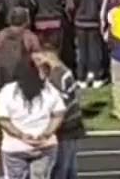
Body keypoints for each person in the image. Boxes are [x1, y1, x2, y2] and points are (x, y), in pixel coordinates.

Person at [0, 55, 66, 179]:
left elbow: (3, 119)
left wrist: (20, 135)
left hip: (15, 147)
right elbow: (58, 114)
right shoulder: (48, 90)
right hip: (44, 145)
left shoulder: (7, 91)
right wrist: (46, 133)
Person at [35, 51, 84, 179]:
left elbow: (59, 105)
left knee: (61, 166)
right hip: (72, 123)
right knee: (70, 167)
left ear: (48, 56)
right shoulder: (64, 71)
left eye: (39, 59)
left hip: (64, 126)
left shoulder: (57, 77)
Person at [68, 0, 105, 87]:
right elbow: (102, 5)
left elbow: (70, 7)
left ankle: (81, 77)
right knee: (94, 50)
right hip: (94, 22)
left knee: (82, 51)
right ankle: (96, 76)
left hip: (80, 23)